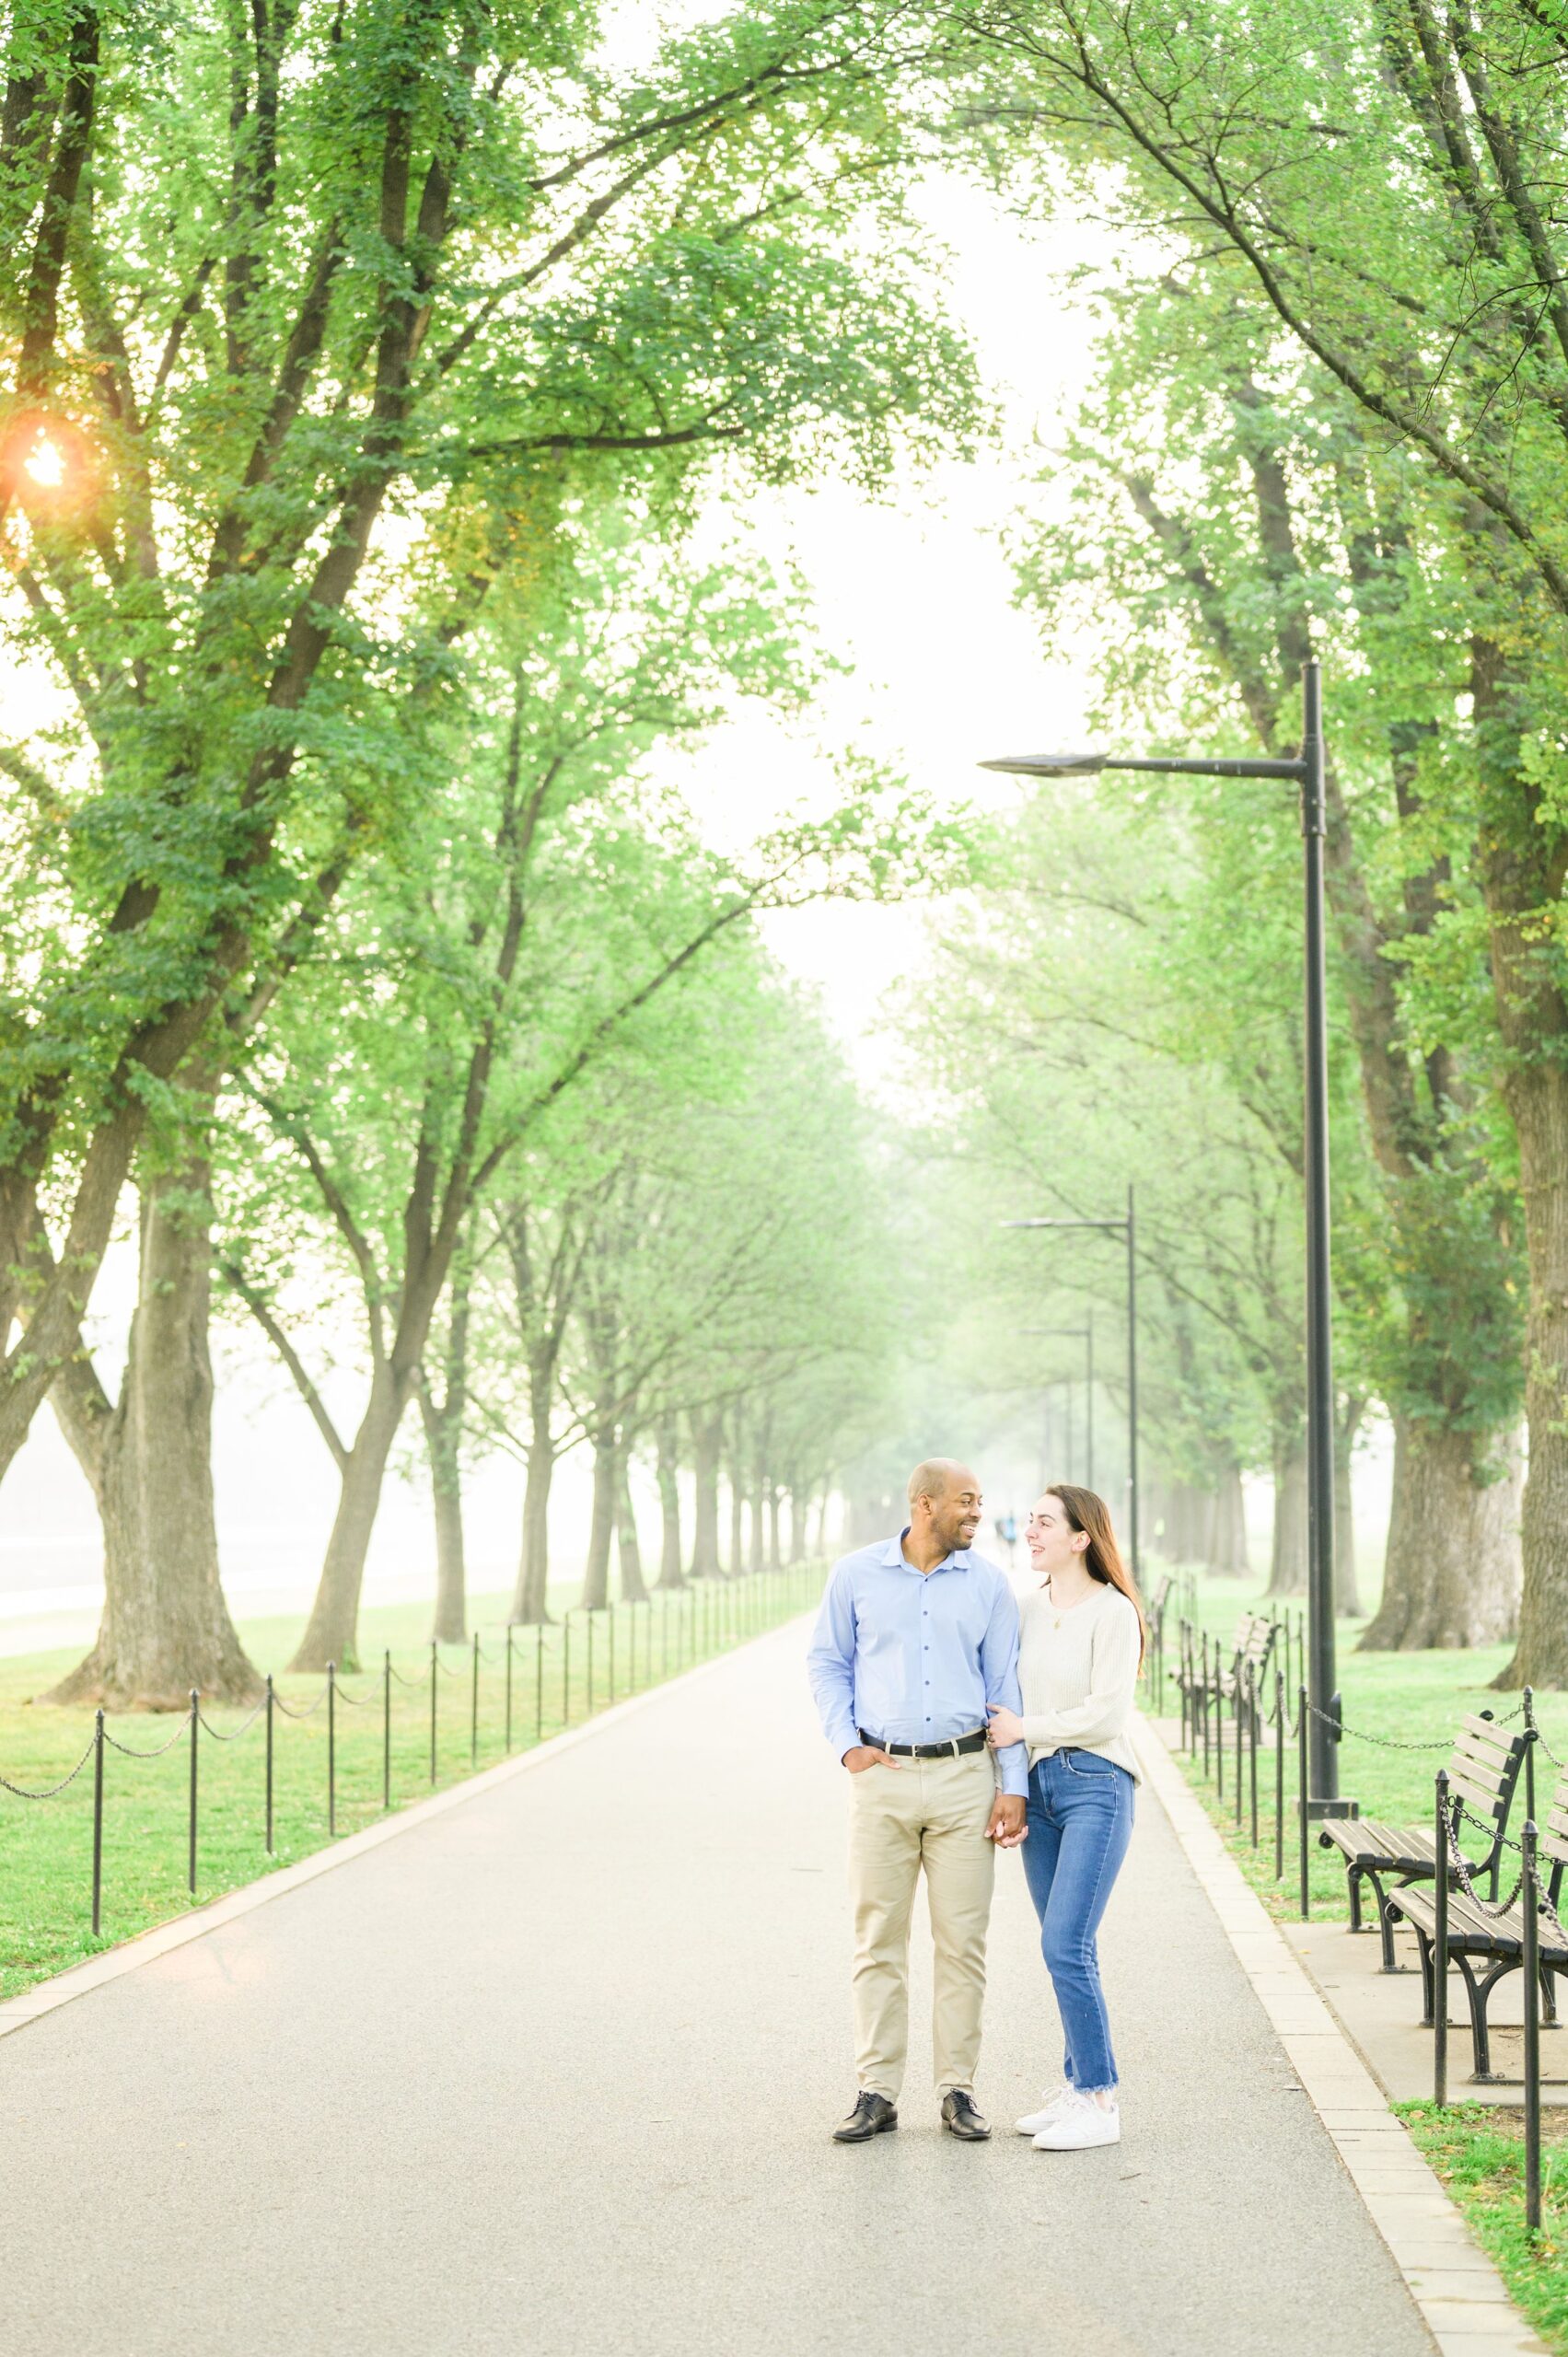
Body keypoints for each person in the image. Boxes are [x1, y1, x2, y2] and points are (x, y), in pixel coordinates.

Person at [807, 1459, 1028, 2144]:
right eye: (965, 1502)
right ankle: (876, 2090)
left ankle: (956, 2090)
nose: (976, 1513)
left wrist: (1012, 1784)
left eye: (979, 1502)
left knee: (962, 1943)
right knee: (877, 1940)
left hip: (967, 1779)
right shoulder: (855, 1574)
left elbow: (1005, 1685)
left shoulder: (989, 1584)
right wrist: (847, 1745)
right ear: (923, 1504)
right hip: (882, 1779)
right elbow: (827, 1661)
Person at [986, 1482, 1144, 2153]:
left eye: (1044, 1522)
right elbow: (1001, 1705)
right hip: (1040, 1791)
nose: (1031, 1531)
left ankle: (1101, 2101)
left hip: (1095, 1785)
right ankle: (1078, 2087)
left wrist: (1030, 1727)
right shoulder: (1023, 1610)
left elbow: (1107, 1712)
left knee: (1064, 1944)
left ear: (1081, 1538)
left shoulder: (1113, 1613)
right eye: (1028, 1521)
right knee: (1062, 1947)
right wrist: (1012, 1785)